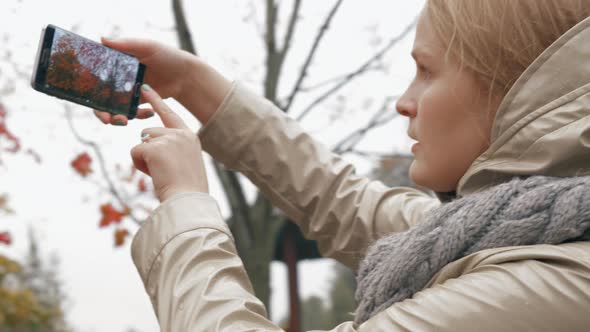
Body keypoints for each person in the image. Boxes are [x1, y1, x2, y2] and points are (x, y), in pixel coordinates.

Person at [95, 1, 590, 331]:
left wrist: (185, 205)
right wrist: (194, 83)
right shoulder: (526, 228)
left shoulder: (552, 281)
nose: (404, 101)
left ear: (514, 89)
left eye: (426, 71)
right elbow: (345, 202)